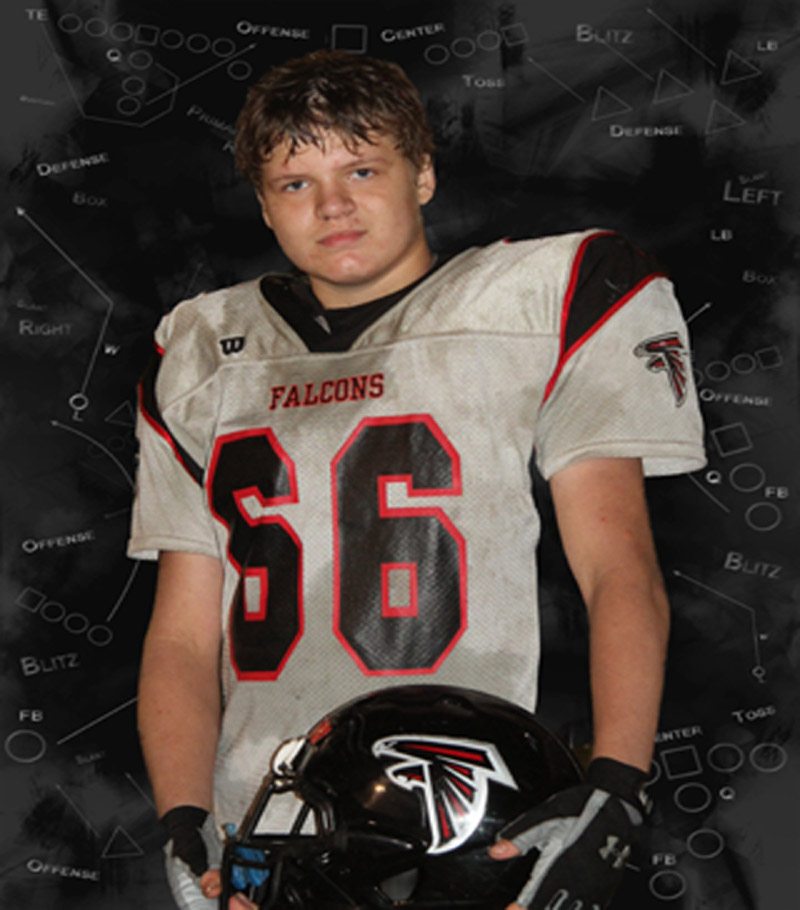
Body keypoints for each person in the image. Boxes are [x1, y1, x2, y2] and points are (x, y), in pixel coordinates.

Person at [129, 49, 705, 910]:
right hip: (268, 816)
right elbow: (181, 634)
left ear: (423, 173)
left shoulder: (533, 300)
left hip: (469, 814)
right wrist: (184, 815)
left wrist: (615, 786)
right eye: (295, 183)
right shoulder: (203, 351)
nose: (333, 205)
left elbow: (618, 569)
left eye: (363, 169)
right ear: (263, 204)